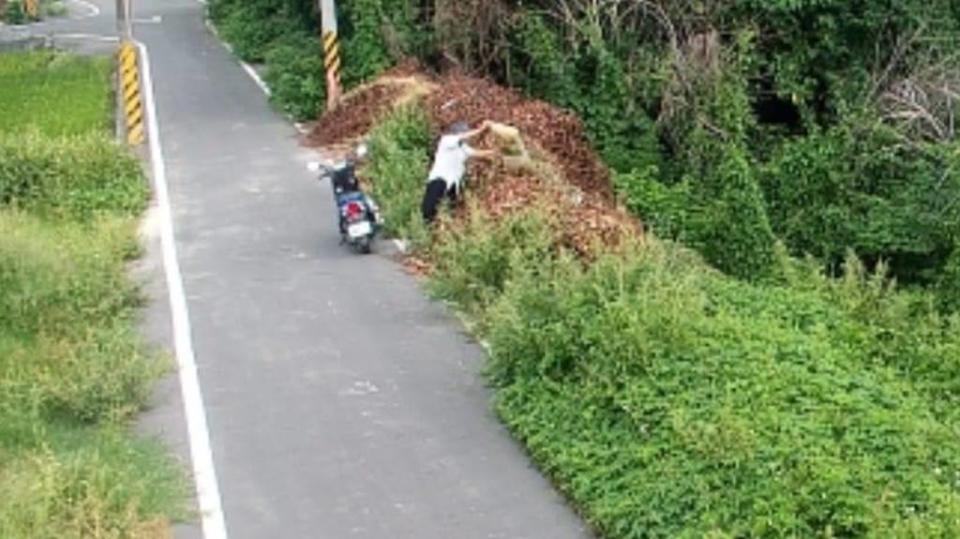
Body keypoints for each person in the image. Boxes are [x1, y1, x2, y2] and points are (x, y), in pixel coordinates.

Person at [421, 120, 496, 224]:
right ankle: (426, 229)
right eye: (464, 133)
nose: (467, 138)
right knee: (429, 210)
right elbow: (463, 136)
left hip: (453, 185)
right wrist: (481, 130)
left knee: (450, 211)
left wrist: (497, 151)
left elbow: (479, 153)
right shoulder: (446, 141)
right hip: (439, 180)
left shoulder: (464, 149)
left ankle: (442, 233)